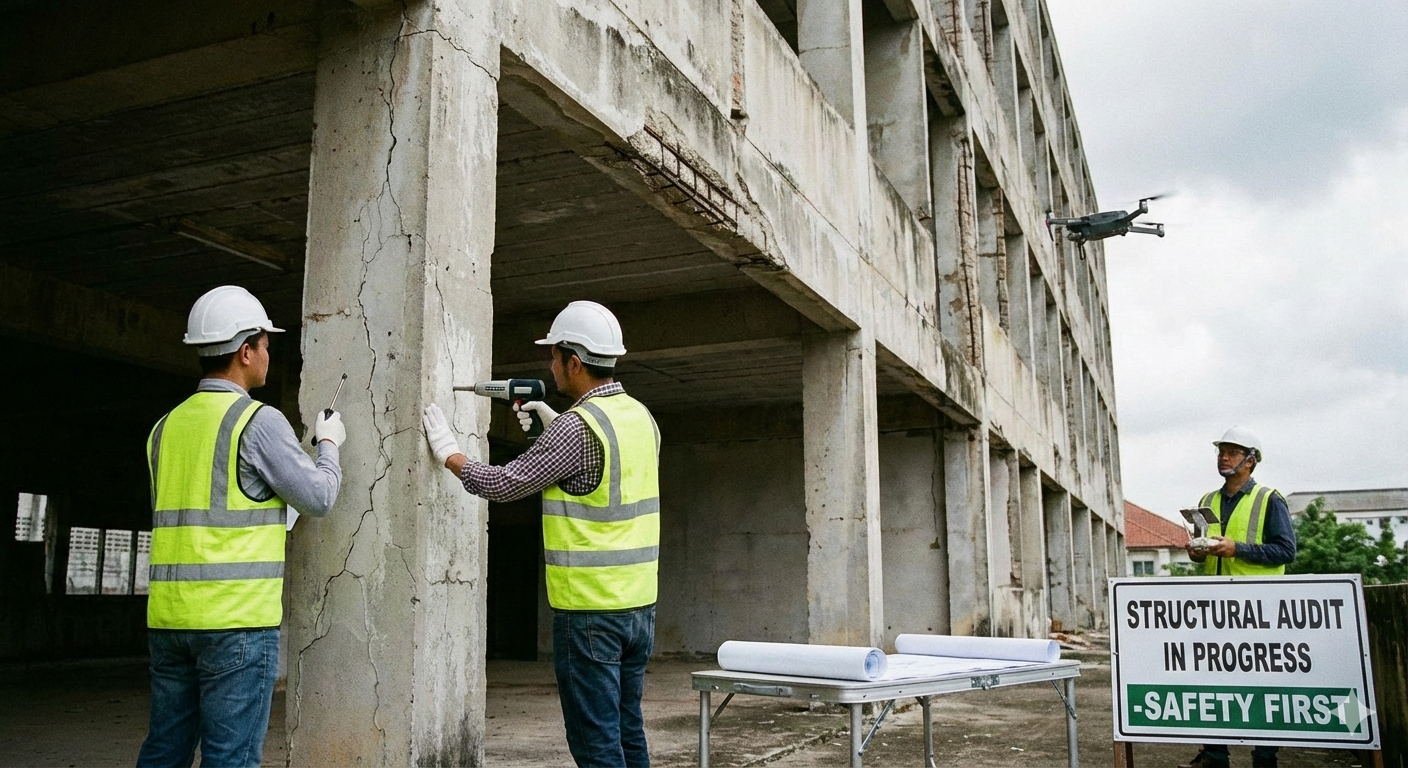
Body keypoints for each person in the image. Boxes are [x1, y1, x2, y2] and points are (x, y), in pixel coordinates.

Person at [421, 300, 660, 768]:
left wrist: (450, 453)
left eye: (553, 356)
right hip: (639, 608)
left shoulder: (574, 429)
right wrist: (553, 430)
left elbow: (504, 483)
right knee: (628, 730)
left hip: (589, 612)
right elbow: (603, 479)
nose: (549, 365)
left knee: (596, 745)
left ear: (575, 361)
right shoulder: (640, 417)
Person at [137, 286, 346, 768]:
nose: (269, 355)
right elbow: (318, 497)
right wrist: (329, 445)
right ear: (246, 350)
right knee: (230, 759)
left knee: (164, 752)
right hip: (236, 626)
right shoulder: (256, 420)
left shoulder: (163, 428)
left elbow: (215, 508)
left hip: (169, 623)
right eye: (266, 345)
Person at [1180, 426, 1296, 768]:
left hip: (1259, 609)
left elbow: (1286, 550)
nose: (1223, 457)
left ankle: (1265, 756)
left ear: (1251, 461)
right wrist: (1197, 553)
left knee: (1260, 685)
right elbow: (1202, 551)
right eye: (1221, 452)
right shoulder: (1206, 501)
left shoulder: (1269, 499)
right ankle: (1215, 755)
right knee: (1213, 682)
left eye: (1231, 452)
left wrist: (1237, 549)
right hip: (1215, 608)